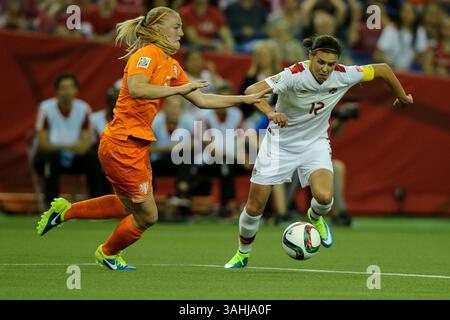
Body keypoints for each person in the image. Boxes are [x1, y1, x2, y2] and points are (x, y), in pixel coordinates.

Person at [35, 6, 268, 271]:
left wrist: (245, 99)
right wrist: (179, 89)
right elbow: (136, 89)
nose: (182, 32)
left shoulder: (170, 64)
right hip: (122, 142)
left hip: (134, 144)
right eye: (176, 26)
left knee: (126, 205)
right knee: (148, 215)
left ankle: (66, 212)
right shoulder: (146, 54)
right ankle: (107, 252)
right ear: (157, 29)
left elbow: (202, 99)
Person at [224, 34, 413, 268]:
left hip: (315, 143)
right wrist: (270, 112)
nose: (325, 69)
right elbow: (252, 90)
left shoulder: (344, 74)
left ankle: (314, 218)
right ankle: (243, 253)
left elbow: (383, 69)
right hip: (279, 145)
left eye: (331, 64)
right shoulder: (293, 75)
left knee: (325, 198)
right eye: (321, 62)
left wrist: (402, 96)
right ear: (311, 56)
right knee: (254, 207)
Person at [33, 73, 107, 208]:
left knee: (93, 158)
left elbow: (85, 142)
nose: (66, 92)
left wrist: (76, 149)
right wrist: (68, 148)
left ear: (76, 91)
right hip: (48, 158)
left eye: (70, 88)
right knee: (52, 158)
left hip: (74, 158)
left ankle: (98, 205)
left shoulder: (83, 108)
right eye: (63, 88)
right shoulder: (45, 108)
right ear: (56, 91)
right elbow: (42, 143)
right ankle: (51, 206)